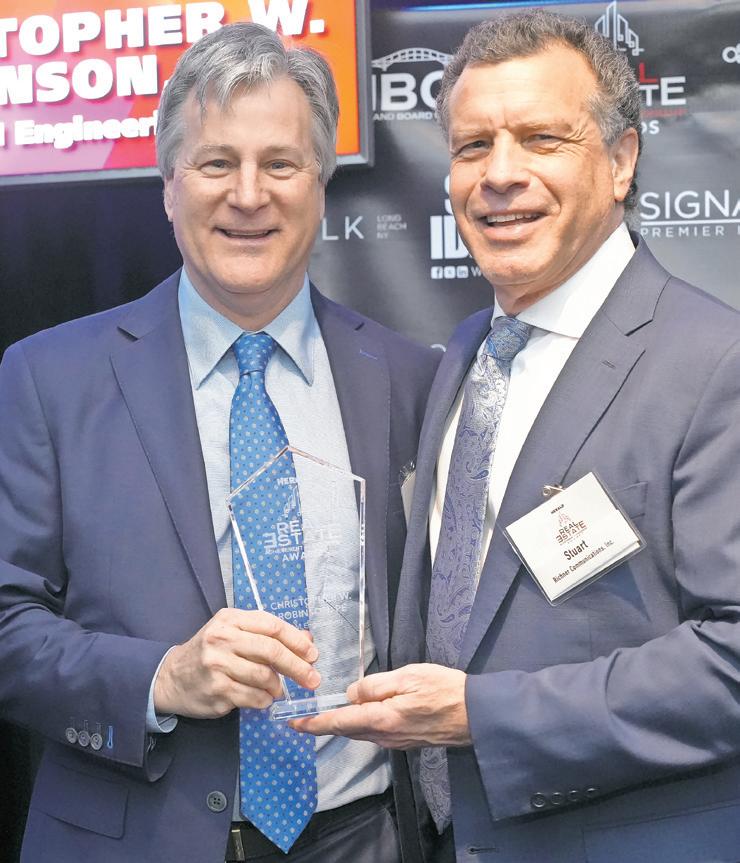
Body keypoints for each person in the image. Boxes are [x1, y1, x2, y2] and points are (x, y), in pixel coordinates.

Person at [292, 10, 740, 863]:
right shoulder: (466, 353)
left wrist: (481, 715)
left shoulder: (716, 364)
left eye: (541, 139)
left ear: (621, 161)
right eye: (473, 146)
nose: (500, 174)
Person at [0, 22, 439, 863]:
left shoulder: (408, 378)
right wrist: (161, 676)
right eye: (215, 163)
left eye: (280, 163)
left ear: (320, 184)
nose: (248, 194)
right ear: (168, 186)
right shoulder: (48, 379)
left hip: (363, 838)